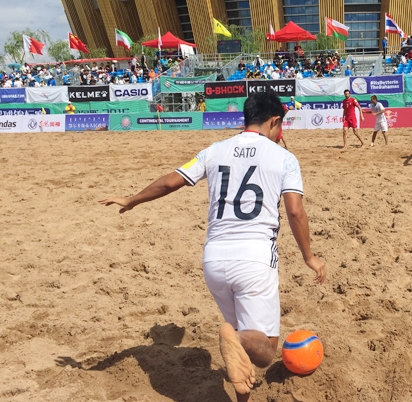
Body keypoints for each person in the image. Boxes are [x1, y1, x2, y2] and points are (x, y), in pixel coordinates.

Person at [99, 91, 326, 402]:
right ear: (275, 121)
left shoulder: (215, 150)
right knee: (264, 351)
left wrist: (131, 199)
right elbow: (295, 211)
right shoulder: (284, 158)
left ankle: (240, 383)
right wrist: (310, 257)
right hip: (255, 259)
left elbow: (169, 181)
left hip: (214, 259)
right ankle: (234, 338)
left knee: (239, 340)